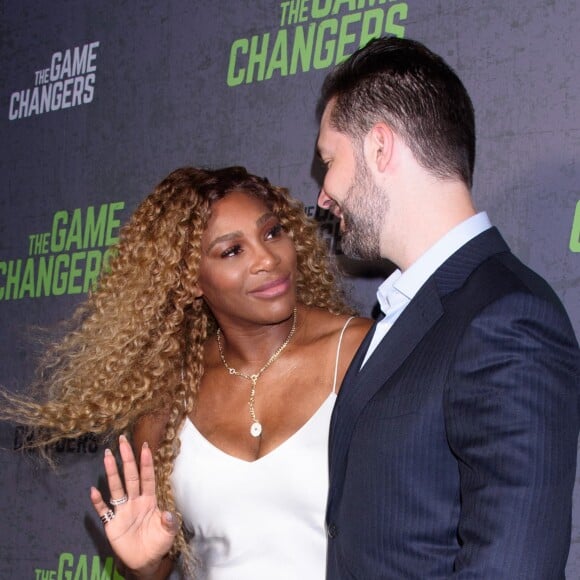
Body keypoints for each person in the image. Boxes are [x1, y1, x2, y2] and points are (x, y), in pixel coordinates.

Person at [0, 166, 372, 579]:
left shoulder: (361, 351)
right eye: (232, 251)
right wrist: (140, 563)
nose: (267, 259)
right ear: (189, 280)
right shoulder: (168, 401)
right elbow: (155, 568)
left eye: (272, 232)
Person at [316, 36, 580, 579]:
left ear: (379, 147)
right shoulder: (402, 312)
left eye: (329, 161)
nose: (322, 194)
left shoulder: (509, 318)